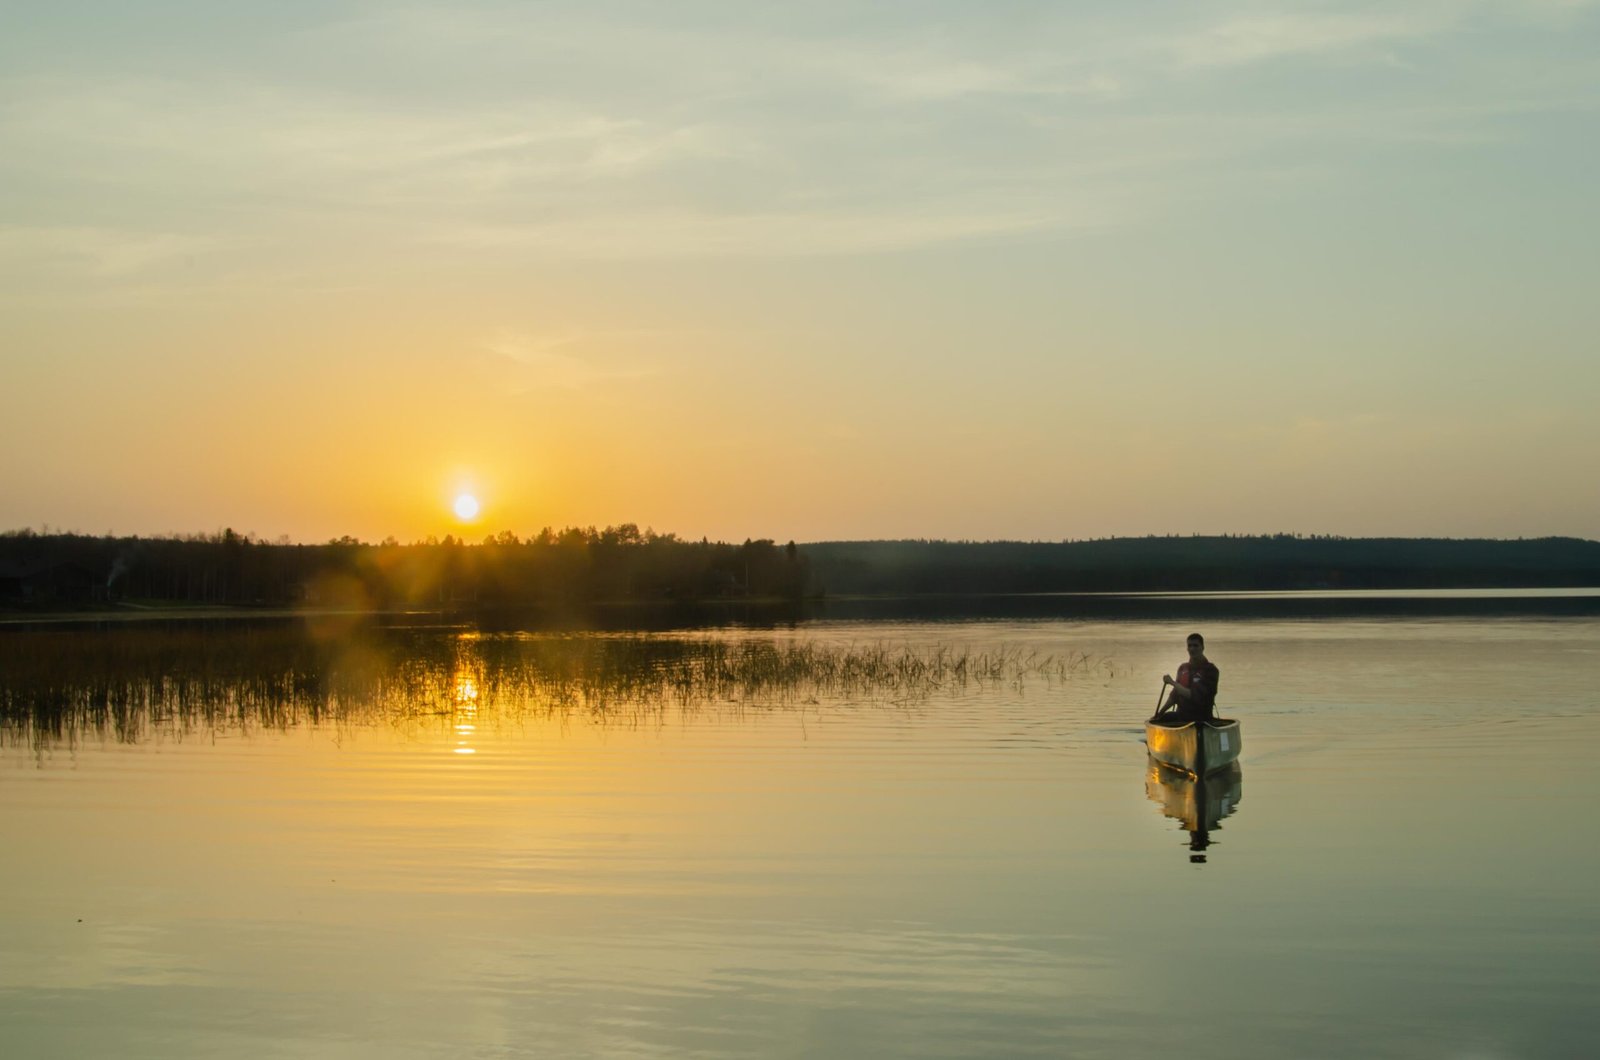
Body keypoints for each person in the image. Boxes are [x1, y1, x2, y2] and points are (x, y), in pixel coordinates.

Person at [1155, 632, 1219, 724]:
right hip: (1182, 716)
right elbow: (1174, 696)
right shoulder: (1183, 668)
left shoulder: (1211, 670)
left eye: (1196, 645)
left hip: (1202, 718)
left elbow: (1194, 696)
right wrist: (1160, 713)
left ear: (1202, 647)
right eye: (1190, 646)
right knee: (1164, 717)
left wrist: (1172, 682)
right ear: (1187, 648)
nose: (1192, 649)